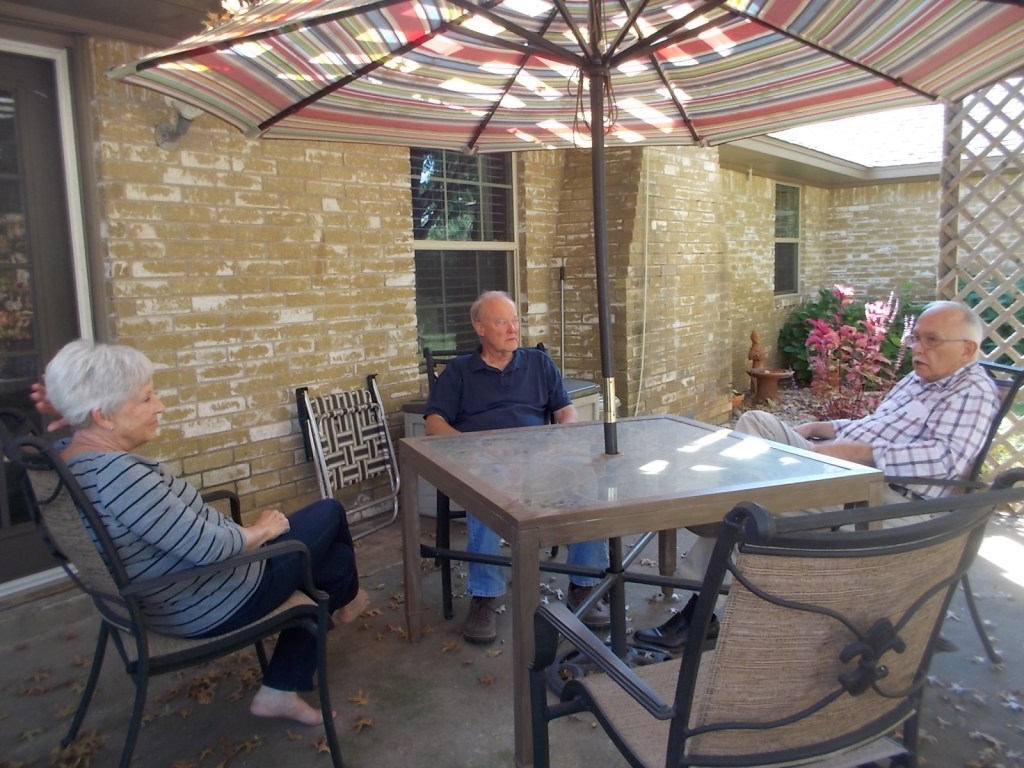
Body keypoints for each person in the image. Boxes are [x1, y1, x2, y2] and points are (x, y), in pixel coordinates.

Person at [34, 339, 370, 726]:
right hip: (213, 597)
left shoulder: (67, 459)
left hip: (169, 594)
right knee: (331, 519)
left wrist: (69, 406)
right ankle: (344, 605)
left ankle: (287, 680)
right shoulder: (120, 478)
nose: (159, 406)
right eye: (145, 399)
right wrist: (260, 531)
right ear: (103, 417)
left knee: (332, 562)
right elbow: (212, 548)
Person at [634, 300, 1001, 653]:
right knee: (756, 422)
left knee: (751, 506)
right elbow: (875, 426)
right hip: (848, 472)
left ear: (967, 350)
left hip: (889, 501)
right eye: (916, 337)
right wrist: (825, 427)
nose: (917, 347)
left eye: (931, 340)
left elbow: (945, 459)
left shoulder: (972, 391)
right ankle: (720, 505)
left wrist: (858, 454)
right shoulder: (921, 380)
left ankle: (700, 606)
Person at [424, 291, 610, 644]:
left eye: (515, 321)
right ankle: (485, 596)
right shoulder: (460, 371)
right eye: (501, 322)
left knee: (585, 476)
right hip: (485, 460)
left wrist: (562, 436)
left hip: (541, 454)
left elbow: (564, 409)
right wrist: (474, 449)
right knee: (484, 490)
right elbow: (435, 423)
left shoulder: (539, 363)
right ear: (479, 327)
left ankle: (583, 585)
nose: (512, 330)